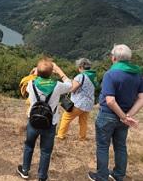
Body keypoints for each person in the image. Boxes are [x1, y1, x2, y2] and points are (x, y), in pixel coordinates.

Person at [88, 44, 143, 181]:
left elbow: (110, 101)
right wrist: (128, 116)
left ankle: (101, 176)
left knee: (102, 146)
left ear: (114, 58)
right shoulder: (137, 74)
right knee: (120, 146)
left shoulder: (110, 74)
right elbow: (141, 98)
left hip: (108, 115)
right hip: (124, 116)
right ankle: (118, 175)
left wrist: (124, 117)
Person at [17, 58, 72, 181]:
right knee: (46, 151)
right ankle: (42, 176)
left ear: (37, 71)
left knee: (29, 145)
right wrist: (59, 71)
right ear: (52, 72)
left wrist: (34, 74)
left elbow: (26, 84)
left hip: (33, 121)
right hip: (50, 123)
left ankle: (25, 170)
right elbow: (70, 85)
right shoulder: (58, 86)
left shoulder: (31, 84)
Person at [57, 58, 97, 140]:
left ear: (81, 67)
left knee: (66, 117)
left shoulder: (81, 76)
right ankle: (82, 137)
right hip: (88, 104)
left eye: (78, 67)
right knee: (83, 121)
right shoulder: (93, 77)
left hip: (79, 103)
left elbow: (72, 88)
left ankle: (60, 135)